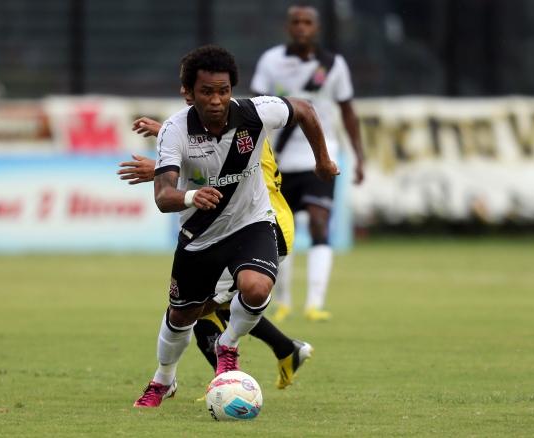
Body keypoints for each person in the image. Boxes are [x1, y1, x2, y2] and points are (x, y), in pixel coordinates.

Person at [128, 45, 338, 407]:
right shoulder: (175, 130)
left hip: (255, 222)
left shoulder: (255, 113)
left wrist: (322, 161)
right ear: (189, 92)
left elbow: (304, 108)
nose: (216, 100)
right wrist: (189, 192)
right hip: (201, 235)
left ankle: (228, 351)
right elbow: (166, 193)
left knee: (254, 289)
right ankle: (163, 379)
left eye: (223, 91)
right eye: (206, 91)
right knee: (185, 313)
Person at [118, 116, 312, 400]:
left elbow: (218, 165)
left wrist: (162, 166)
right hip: (264, 223)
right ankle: (285, 349)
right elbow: (208, 149)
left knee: (199, 307)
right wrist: (165, 133)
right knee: (220, 302)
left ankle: (223, 383)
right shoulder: (224, 125)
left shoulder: (245, 122)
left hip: (258, 225)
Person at [251, 5, 364, 322]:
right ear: (287, 27)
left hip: (320, 157)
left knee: (318, 222)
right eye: (296, 22)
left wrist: (358, 157)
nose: (301, 27)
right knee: (277, 230)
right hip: (280, 160)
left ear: (317, 28)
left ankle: (314, 302)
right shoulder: (271, 61)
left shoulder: (333, 65)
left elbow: (348, 112)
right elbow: (254, 109)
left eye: (308, 22)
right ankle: (283, 302)